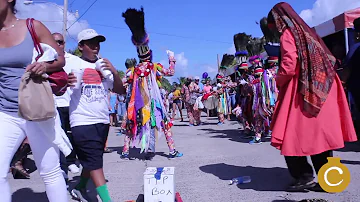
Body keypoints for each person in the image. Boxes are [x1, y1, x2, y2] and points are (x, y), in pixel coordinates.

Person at [267, 2, 357, 192]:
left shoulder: (288, 35)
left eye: (273, 26)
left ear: (277, 21)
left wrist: (278, 80)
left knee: (290, 135)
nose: (274, 30)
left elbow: (289, 65)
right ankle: (330, 180)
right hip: (325, 89)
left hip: (303, 92)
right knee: (321, 138)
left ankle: (303, 177)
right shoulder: (308, 34)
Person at [0, 1, 69, 201]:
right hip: (5, 111)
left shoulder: (33, 26)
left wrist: (44, 67)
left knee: (50, 171)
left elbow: (61, 59)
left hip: (36, 109)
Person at [67, 28, 125, 202]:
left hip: (102, 119)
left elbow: (120, 90)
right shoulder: (73, 63)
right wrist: (65, 82)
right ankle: (107, 200)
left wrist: (114, 72)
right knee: (95, 162)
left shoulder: (102, 66)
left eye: (97, 43)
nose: (95, 46)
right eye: (91, 43)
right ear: (80, 46)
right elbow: (60, 86)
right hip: (82, 121)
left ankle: (80, 187)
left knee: (92, 159)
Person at [122, 7, 183, 160]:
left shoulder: (133, 70)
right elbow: (171, 72)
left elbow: (123, 81)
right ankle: (172, 150)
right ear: (150, 54)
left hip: (138, 103)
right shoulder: (155, 67)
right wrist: (172, 59)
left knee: (132, 122)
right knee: (164, 123)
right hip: (154, 102)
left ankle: (125, 150)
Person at [52, 33, 80, 180]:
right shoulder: (44, 59)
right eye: (54, 41)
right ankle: (62, 173)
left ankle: (72, 161)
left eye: (60, 42)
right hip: (53, 107)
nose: (58, 44)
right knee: (58, 141)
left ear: (64, 43)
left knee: (73, 139)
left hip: (71, 105)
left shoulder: (74, 61)